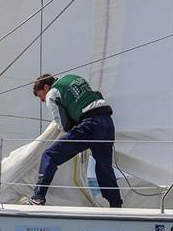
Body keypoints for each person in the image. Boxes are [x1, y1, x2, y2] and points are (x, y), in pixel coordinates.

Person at [30, 74, 121, 208]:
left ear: (46, 87)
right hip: (107, 123)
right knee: (104, 167)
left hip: (90, 125)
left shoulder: (52, 93)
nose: (42, 101)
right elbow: (95, 94)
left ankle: (38, 197)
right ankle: (116, 204)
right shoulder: (73, 78)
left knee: (50, 155)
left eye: (40, 96)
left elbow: (64, 125)